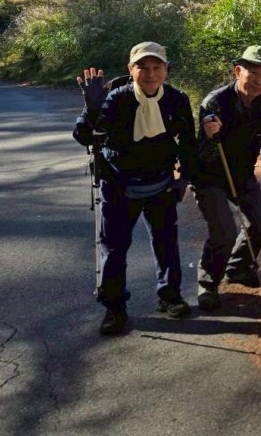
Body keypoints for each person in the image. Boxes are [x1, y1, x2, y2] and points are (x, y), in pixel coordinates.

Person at [73, 42, 196, 335]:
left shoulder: (177, 100)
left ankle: (170, 297)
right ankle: (115, 308)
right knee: (114, 248)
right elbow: (85, 137)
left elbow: (189, 144)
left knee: (166, 242)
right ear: (131, 70)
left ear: (166, 70)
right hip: (118, 185)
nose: (150, 74)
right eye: (143, 67)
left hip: (161, 182)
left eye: (157, 67)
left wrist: (184, 179)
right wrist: (92, 110)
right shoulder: (114, 99)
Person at [193, 45, 261, 311]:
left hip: (243, 173)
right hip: (210, 175)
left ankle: (238, 267)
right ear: (238, 71)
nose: (259, 81)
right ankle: (208, 283)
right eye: (253, 73)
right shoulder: (215, 102)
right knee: (223, 232)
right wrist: (212, 135)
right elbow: (203, 151)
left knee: (259, 226)